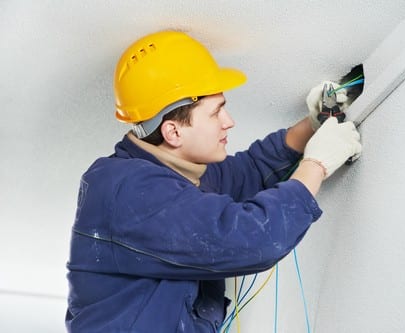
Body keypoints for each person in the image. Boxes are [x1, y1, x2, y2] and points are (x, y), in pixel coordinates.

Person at [65, 30, 362, 332]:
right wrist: (316, 164)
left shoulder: (171, 178)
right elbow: (250, 238)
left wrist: (312, 124)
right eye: (216, 111)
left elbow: (247, 172)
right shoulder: (128, 191)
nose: (229, 121)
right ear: (173, 132)